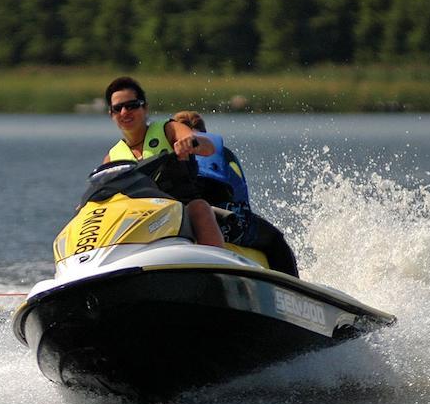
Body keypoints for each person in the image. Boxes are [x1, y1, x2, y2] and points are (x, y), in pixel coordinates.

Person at [172, 110, 299, 276]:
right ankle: (295, 289)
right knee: (275, 240)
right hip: (226, 223)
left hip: (176, 220)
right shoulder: (219, 151)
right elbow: (239, 195)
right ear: (204, 132)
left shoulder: (161, 151)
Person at [102, 77, 224, 247]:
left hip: (179, 209)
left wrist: (189, 143)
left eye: (132, 105)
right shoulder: (112, 158)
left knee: (199, 207)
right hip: (138, 221)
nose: (124, 112)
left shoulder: (168, 129)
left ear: (144, 108)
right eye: (118, 108)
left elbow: (208, 147)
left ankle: (215, 264)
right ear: (111, 114)